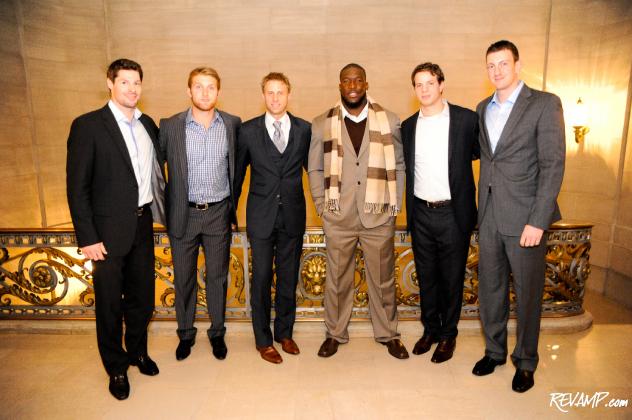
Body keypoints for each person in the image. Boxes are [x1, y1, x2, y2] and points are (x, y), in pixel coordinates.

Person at [66, 58, 166, 400]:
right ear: (110, 83)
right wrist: (88, 238)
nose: (132, 88)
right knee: (109, 304)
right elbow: (77, 187)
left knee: (143, 298)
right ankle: (116, 367)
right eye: (124, 82)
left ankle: (137, 351)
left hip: (142, 225)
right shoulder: (89, 126)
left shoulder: (147, 124)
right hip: (105, 235)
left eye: (136, 82)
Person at [473, 40, 565, 393]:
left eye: (503, 64)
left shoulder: (543, 104)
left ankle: (525, 361)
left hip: (527, 218)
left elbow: (552, 164)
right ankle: (494, 352)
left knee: (527, 294)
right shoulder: (483, 108)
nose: (497, 71)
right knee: (491, 290)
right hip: (491, 217)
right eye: (491, 65)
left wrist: (538, 220)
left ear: (517, 65)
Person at [308, 63, 408, 359]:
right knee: (337, 279)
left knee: (383, 278)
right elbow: (314, 167)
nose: (352, 85)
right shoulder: (321, 123)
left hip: (378, 215)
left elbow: (399, 165)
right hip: (338, 217)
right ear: (340, 85)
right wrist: (322, 207)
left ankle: (388, 334)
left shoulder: (389, 120)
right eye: (346, 81)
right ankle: (334, 334)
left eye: (357, 80)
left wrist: (394, 207)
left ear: (366, 83)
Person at [159, 67, 241, 362]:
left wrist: (233, 209)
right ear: (188, 91)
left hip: (218, 213)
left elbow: (238, 169)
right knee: (184, 278)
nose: (205, 93)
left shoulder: (232, 124)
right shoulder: (170, 126)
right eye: (198, 87)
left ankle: (217, 333)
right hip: (184, 213)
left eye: (210, 87)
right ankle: (185, 333)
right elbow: (157, 173)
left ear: (218, 92)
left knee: (217, 277)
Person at [401, 63, 479, 364]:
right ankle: (430, 330)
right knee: (427, 277)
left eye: (430, 83)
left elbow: (477, 153)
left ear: (441, 84)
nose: (424, 89)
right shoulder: (408, 126)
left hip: (452, 214)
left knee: (452, 278)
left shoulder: (465, 120)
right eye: (418, 84)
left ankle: (449, 336)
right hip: (420, 213)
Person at [234, 72, 311, 364]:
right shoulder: (248, 130)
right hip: (260, 216)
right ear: (263, 95)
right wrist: (231, 211)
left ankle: (284, 333)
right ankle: (263, 340)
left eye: (280, 92)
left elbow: (313, 172)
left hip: (293, 215)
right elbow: (238, 174)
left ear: (289, 94)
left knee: (289, 277)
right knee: (262, 278)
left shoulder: (304, 130)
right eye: (270, 92)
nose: (275, 98)